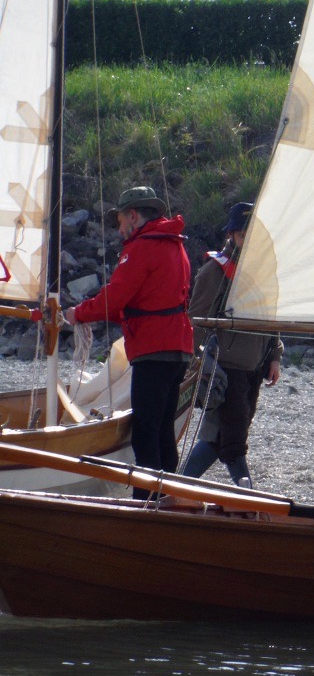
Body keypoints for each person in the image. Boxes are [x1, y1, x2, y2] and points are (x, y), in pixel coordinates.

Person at [65, 186, 193, 499]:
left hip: (154, 350)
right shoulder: (175, 245)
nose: (119, 228)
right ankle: (165, 499)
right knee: (163, 428)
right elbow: (146, 301)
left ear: (133, 216)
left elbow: (116, 297)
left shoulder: (141, 247)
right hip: (179, 348)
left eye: (121, 220)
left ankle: (146, 506)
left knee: (146, 433)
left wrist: (77, 314)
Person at [182, 202, 282, 488]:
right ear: (232, 236)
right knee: (234, 439)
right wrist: (195, 366)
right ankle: (245, 490)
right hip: (225, 369)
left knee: (218, 438)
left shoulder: (264, 272)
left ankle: (178, 486)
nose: (247, 242)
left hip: (255, 367)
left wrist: (274, 356)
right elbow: (196, 321)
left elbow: (272, 316)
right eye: (242, 235)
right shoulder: (214, 272)